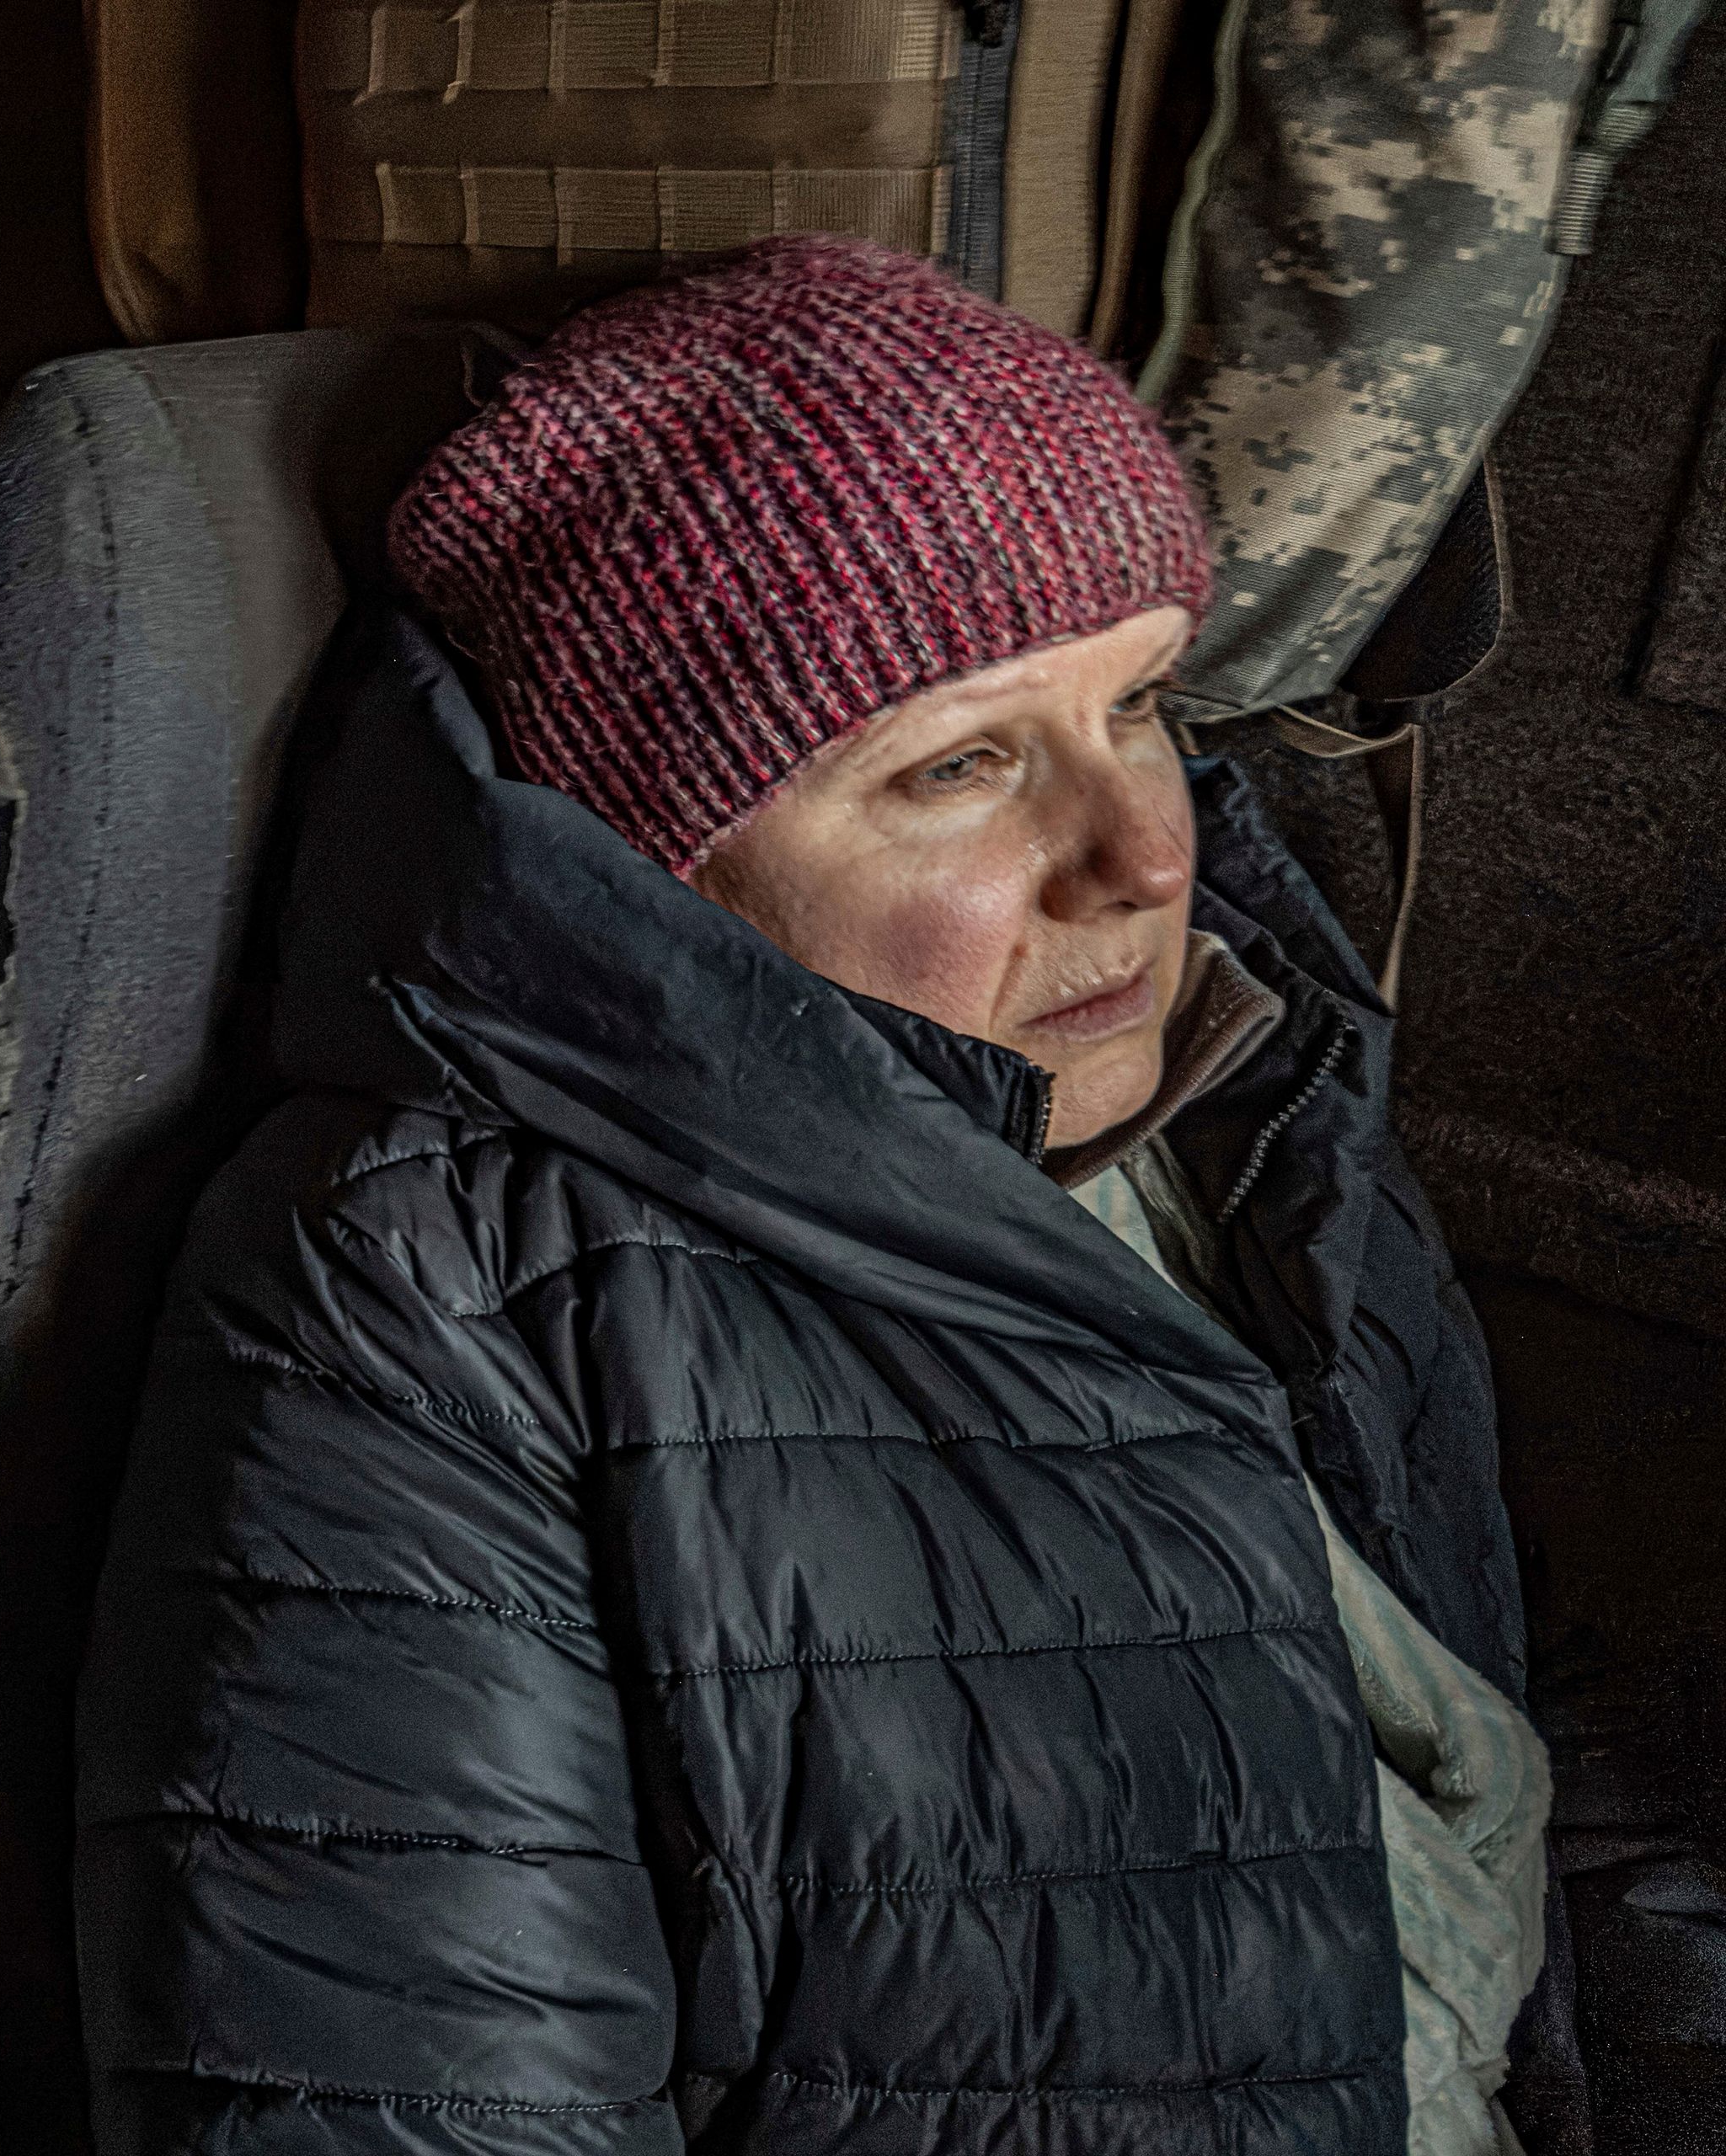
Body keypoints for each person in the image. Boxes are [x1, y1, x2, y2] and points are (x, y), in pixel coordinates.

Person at [76, 237, 1547, 2155]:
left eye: (1147, 707)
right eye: (961, 767)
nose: (1149, 851)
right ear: (657, 864)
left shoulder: (1246, 1098)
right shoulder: (425, 1300)